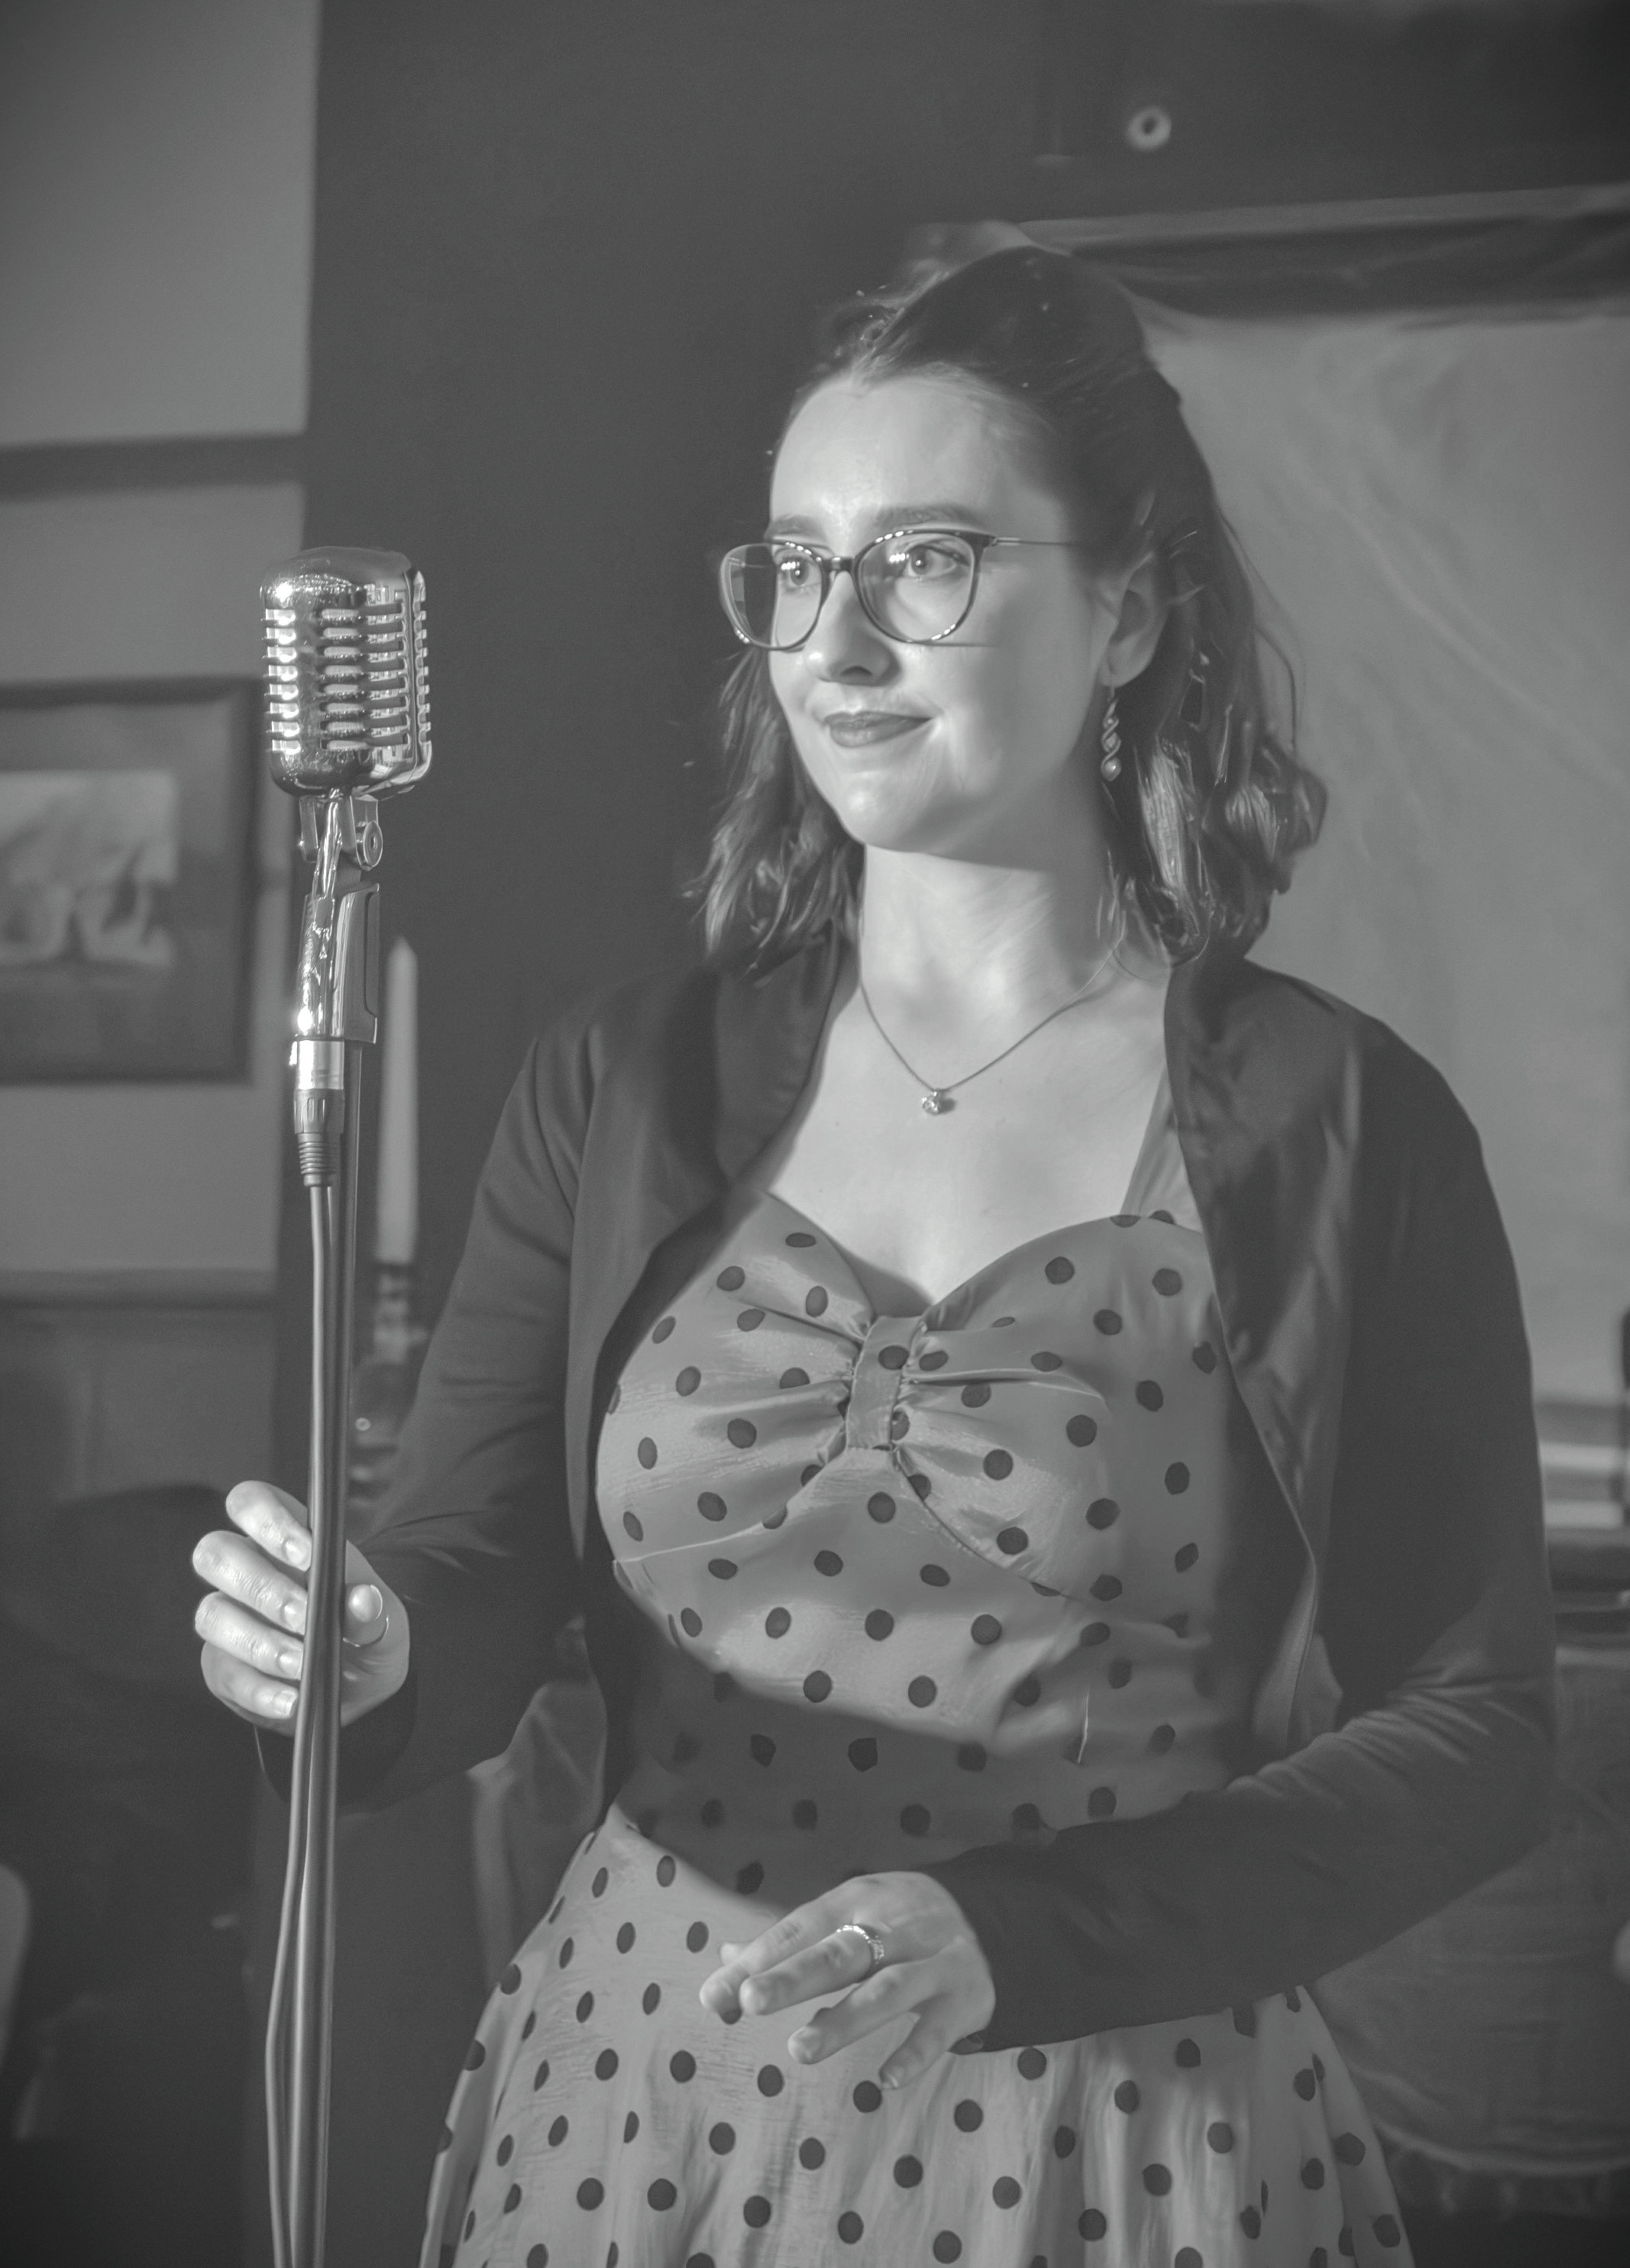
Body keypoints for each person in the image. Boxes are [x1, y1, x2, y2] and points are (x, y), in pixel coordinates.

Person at [192, 247, 1554, 2268]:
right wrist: (373, 1652)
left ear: (1128, 613)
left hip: (1111, 2124)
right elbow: (471, 1571)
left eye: (926, 562)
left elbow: (1477, 1726)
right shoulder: (624, 1084)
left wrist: (1027, 1935)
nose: (833, 641)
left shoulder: (1333, 1121)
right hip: (642, 2097)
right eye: (793, 568)